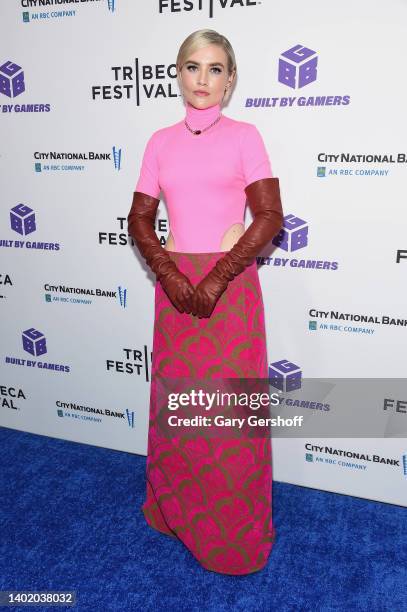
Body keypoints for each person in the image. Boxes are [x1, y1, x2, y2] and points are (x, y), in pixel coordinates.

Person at [127, 29, 283, 575]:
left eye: (215, 69)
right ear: (177, 72)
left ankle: (231, 539)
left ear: (231, 78)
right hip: (175, 290)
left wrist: (218, 275)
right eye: (192, 67)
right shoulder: (159, 142)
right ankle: (174, 510)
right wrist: (170, 274)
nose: (202, 79)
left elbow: (270, 216)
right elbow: (138, 220)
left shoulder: (245, 136)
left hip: (231, 288)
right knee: (178, 404)